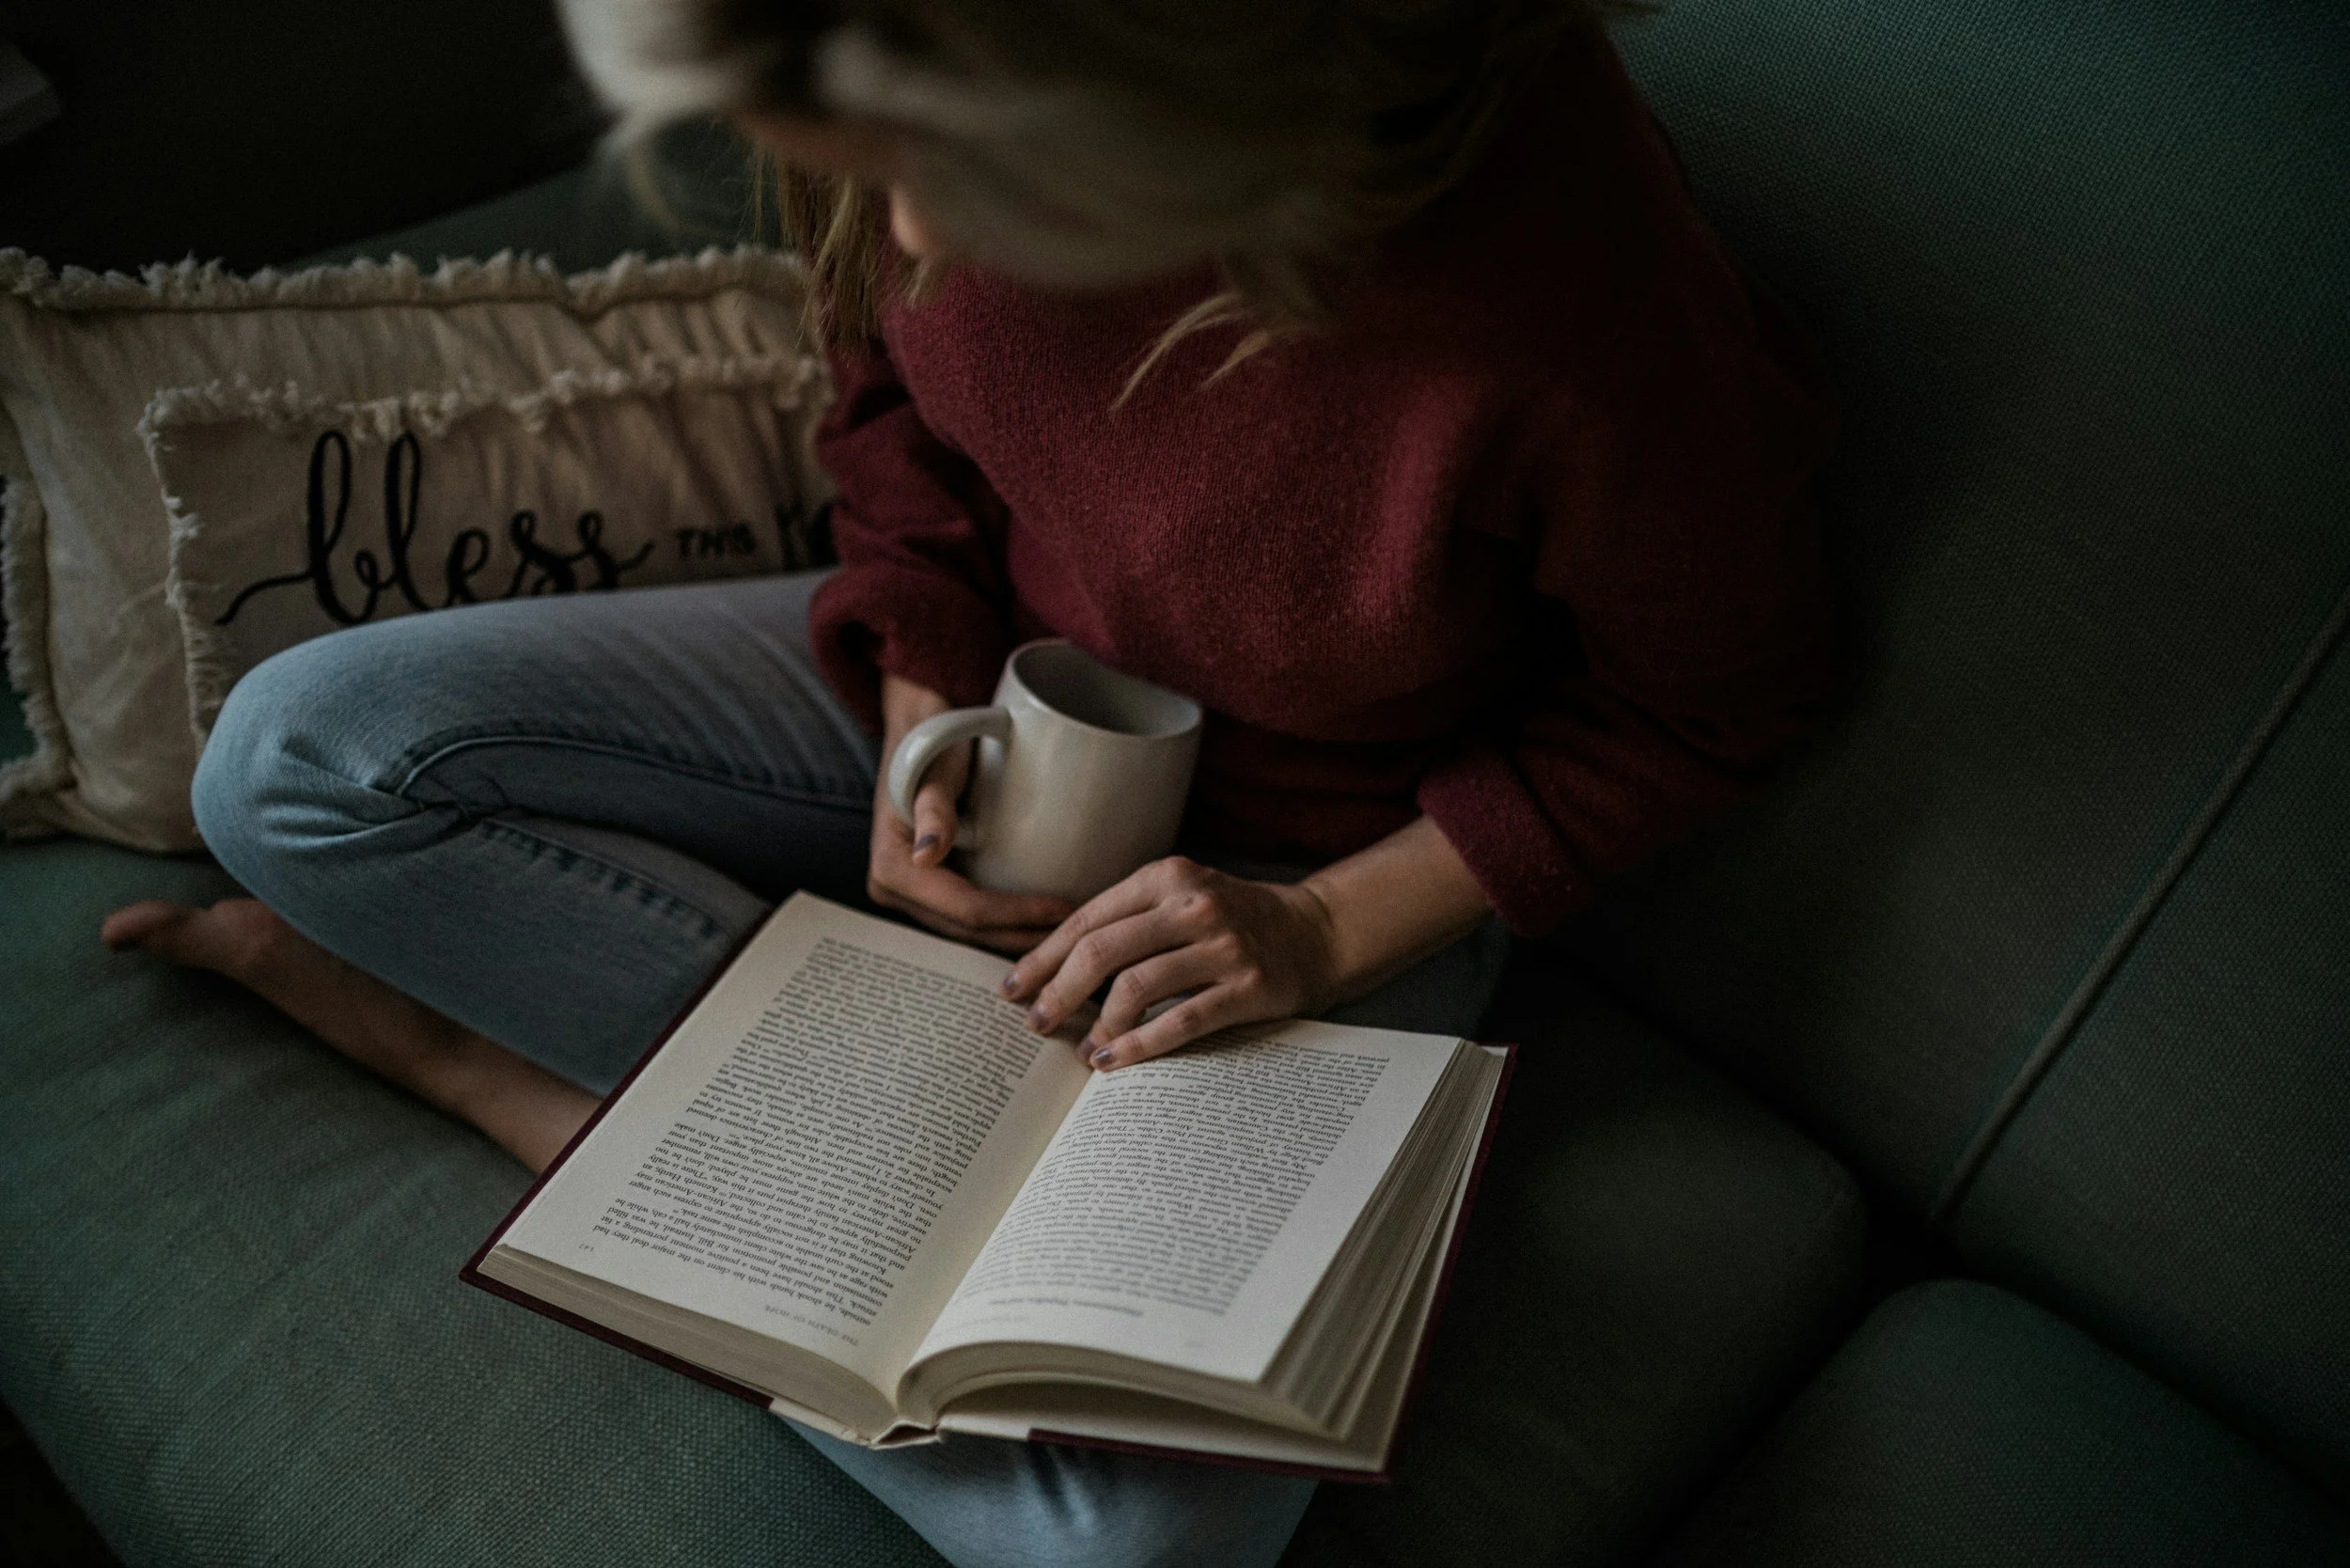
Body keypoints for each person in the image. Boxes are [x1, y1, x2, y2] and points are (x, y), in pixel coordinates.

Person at [102, 0, 1838, 1562]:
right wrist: (917, 690)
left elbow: (1707, 706)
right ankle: (843, 1153)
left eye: (963, 178)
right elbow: (891, 403)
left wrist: (1310, 931)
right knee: (299, 763)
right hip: (1000, 688)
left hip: (1330, 867)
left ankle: (500, 1091)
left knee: (1125, 1552)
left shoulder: (1579, 309)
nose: (917, 229)